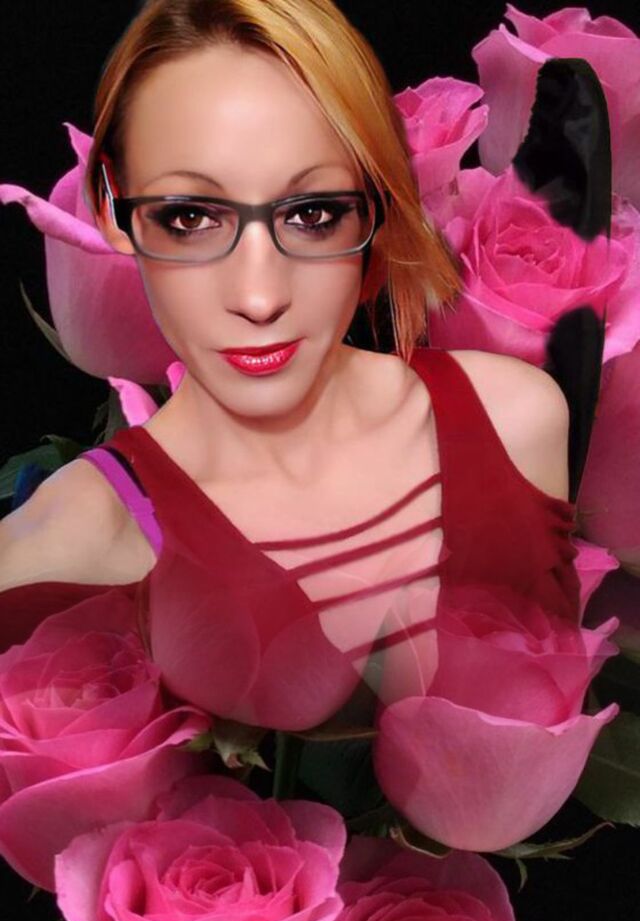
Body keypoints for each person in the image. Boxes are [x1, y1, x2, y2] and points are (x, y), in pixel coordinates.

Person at [0, 0, 577, 730]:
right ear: (111, 205)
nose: (259, 297)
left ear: (377, 202)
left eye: (311, 214)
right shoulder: (65, 548)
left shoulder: (515, 422)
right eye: (189, 217)